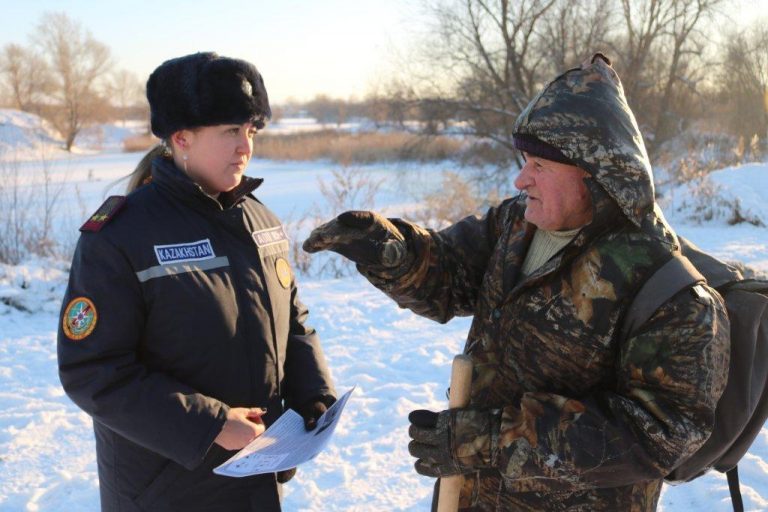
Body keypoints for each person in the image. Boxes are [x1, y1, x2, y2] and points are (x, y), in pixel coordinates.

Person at [302, 54, 730, 511]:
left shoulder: (668, 290)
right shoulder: (516, 225)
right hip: (472, 496)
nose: (521, 178)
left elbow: (660, 434)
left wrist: (488, 438)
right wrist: (387, 249)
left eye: (540, 166)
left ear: (596, 173)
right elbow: (447, 273)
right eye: (524, 159)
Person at [58, 52, 335, 512]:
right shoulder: (123, 235)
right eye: (230, 131)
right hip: (166, 489)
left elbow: (293, 323)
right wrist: (208, 425)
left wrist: (314, 396)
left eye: (251, 131)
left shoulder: (261, 222)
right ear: (182, 138)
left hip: (254, 475)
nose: (245, 146)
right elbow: (92, 371)